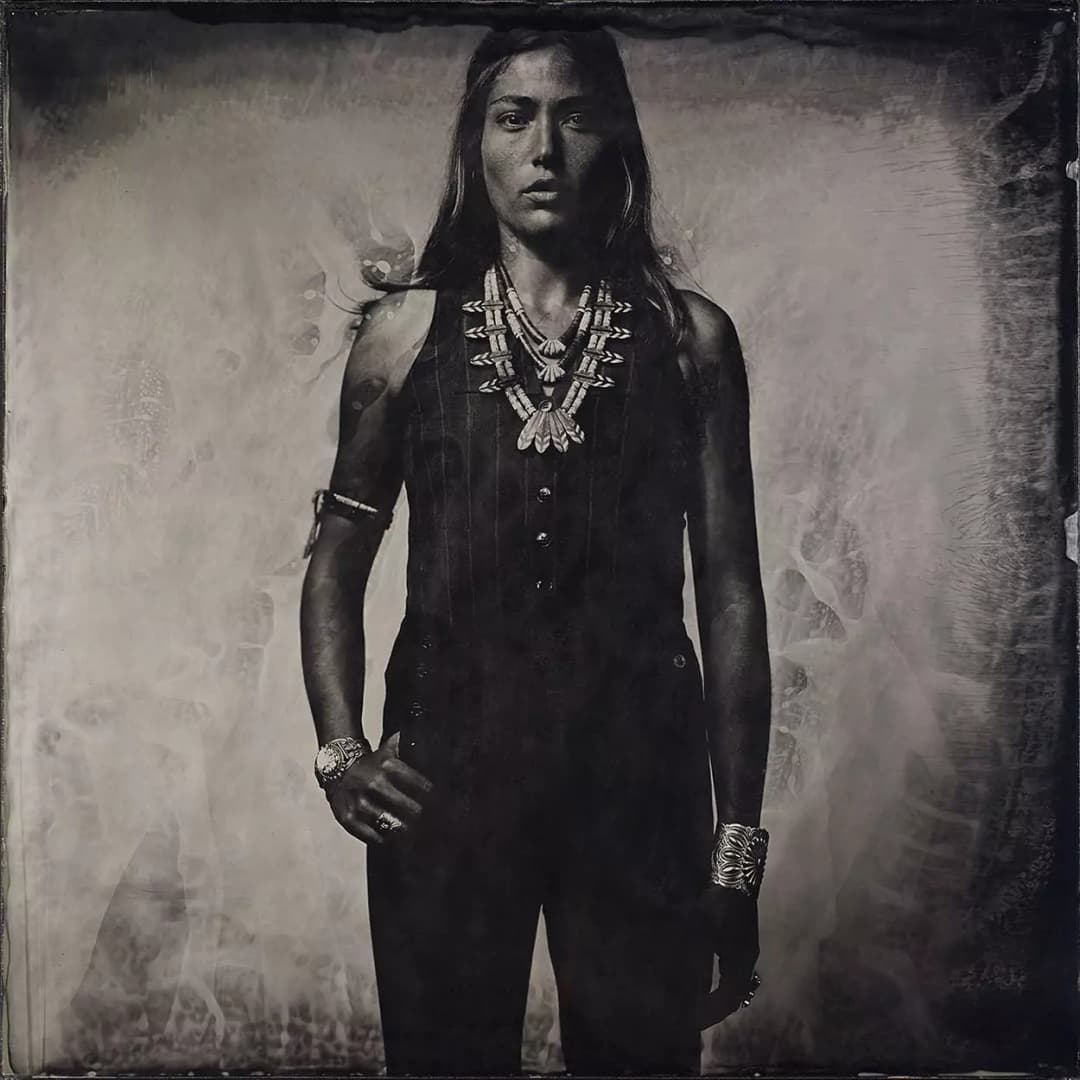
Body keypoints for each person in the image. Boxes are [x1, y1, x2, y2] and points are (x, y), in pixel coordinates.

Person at [300, 25, 773, 1076]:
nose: (545, 149)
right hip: (443, 782)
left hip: (642, 787)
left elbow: (732, 595)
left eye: (577, 117)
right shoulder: (404, 335)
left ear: (620, 139)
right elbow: (336, 559)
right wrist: (341, 754)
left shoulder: (690, 341)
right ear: (476, 144)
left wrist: (736, 851)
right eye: (514, 118)